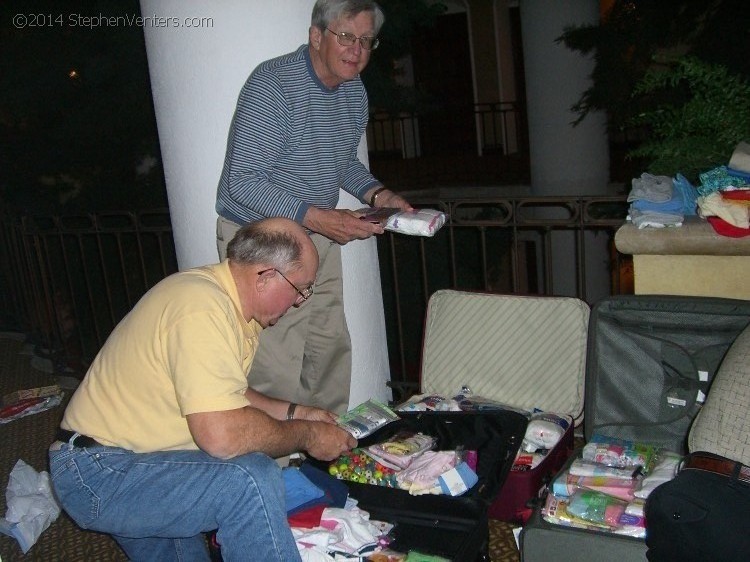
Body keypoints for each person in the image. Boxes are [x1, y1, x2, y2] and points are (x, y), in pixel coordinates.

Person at [49, 218, 358, 562]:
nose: (301, 301)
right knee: (250, 480)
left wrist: (297, 412)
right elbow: (221, 436)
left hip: (142, 461)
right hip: (101, 472)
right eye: (301, 288)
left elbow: (225, 396)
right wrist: (307, 435)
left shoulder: (223, 304)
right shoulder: (201, 307)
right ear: (266, 276)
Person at [215, 0, 412, 416]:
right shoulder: (274, 85)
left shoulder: (354, 93)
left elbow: (340, 162)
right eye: (346, 36)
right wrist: (320, 218)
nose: (356, 50)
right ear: (316, 35)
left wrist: (378, 195)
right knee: (275, 363)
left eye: (365, 41)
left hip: (315, 234)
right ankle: (275, 471)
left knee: (328, 350)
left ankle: (321, 449)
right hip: (261, 241)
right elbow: (243, 181)